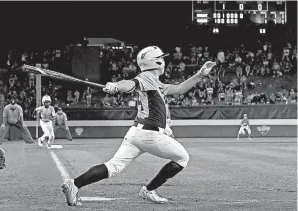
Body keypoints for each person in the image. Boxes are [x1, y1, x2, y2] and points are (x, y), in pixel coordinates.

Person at [61, 46, 216, 206]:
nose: (164, 61)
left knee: (113, 166)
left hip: (136, 133)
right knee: (183, 158)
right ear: (155, 62)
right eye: (161, 58)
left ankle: (74, 184)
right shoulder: (147, 77)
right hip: (150, 135)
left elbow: (179, 89)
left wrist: (199, 74)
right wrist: (116, 85)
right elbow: (130, 83)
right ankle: (149, 190)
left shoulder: (157, 83)